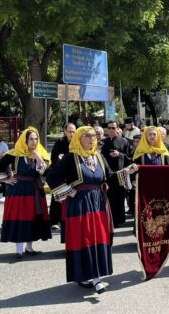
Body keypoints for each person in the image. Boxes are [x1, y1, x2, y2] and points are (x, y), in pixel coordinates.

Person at [46, 126, 135, 294]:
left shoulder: (100, 157)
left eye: (94, 136)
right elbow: (52, 176)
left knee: (98, 238)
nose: (92, 138)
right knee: (84, 238)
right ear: (79, 138)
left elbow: (110, 177)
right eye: (87, 136)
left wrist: (126, 171)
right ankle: (90, 277)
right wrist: (69, 191)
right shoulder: (70, 158)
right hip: (79, 204)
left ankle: (95, 276)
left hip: (98, 203)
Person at [0, 127, 52, 259]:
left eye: (36, 139)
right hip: (18, 191)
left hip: (34, 190)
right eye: (31, 139)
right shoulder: (14, 153)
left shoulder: (41, 154)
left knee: (32, 218)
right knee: (19, 218)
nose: (34, 141)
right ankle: (19, 249)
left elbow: (45, 172)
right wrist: (6, 179)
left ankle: (29, 247)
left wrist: (38, 158)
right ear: (25, 140)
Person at [101, 120, 132, 227]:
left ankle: (119, 219)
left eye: (113, 128)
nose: (110, 130)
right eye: (108, 128)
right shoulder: (102, 142)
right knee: (108, 197)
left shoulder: (124, 141)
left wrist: (119, 154)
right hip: (106, 175)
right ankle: (109, 220)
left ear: (118, 128)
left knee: (119, 197)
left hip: (120, 173)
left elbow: (129, 157)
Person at [49, 123, 76, 229]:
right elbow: (54, 158)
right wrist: (62, 161)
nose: (72, 134)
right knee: (57, 197)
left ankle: (66, 219)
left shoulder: (77, 143)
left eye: (74, 131)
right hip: (59, 174)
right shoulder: (59, 143)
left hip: (72, 174)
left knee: (70, 197)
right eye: (70, 131)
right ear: (65, 132)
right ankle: (54, 221)